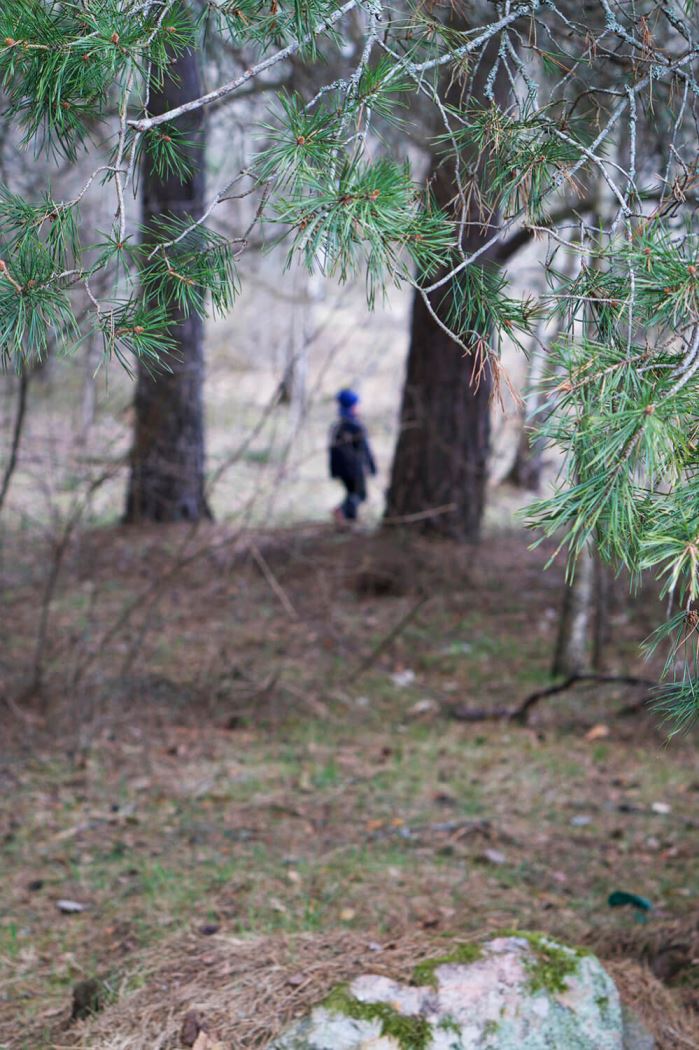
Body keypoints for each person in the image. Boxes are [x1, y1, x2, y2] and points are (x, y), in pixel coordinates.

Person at [328, 388, 377, 526]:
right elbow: (364, 450)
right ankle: (341, 511)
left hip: (341, 470)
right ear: (352, 407)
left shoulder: (336, 427)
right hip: (354, 469)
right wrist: (371, 468)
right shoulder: (356, 427)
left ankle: (348, 521)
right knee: (360, 495)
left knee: (351, 493)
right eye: (357, 405)